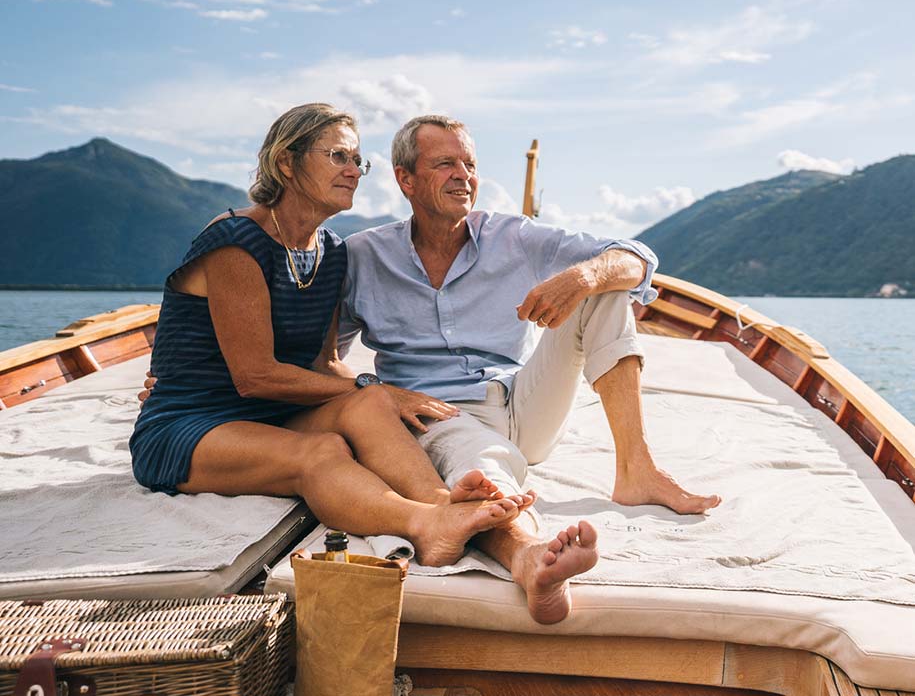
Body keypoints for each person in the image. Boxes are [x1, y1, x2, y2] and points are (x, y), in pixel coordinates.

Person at [333, 115, 723, 620]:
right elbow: (324, 362)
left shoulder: (511, 237)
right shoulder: (362, 257)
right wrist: (377, 390)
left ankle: (637, 470)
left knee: (604, 293)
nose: (464, 175)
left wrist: (582, 276)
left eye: (470, 163)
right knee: (483, 470)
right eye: (445, 163)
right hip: (442, 414)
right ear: (405, 179)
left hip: (524, 401)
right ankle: (529, 557)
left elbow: (638, 261)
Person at [129, 103, 533, 570]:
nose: (354, 171)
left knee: (370, 402)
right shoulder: (236, 242)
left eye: (357, 161)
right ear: (286, 162)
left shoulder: (332, 252)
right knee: (325, 448)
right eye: (338, 157)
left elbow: (324, 364)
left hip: (274, 415)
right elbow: (255, 376)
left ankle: (445, 504)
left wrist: (382, 399)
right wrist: (377, 388)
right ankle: (422, 524)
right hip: (192, 424)